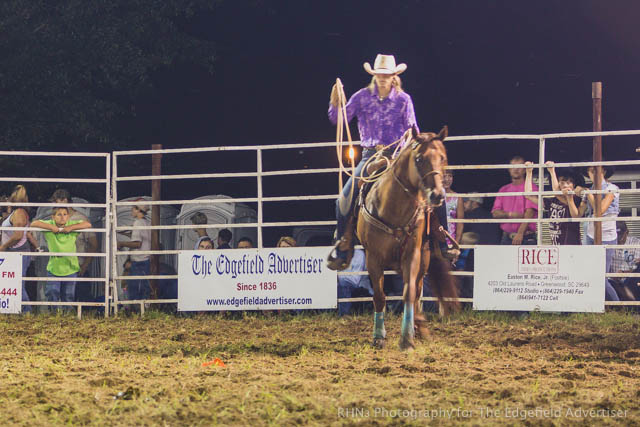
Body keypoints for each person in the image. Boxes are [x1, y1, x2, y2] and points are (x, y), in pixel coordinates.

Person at [326, 54, 418, 270]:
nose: (383, 78)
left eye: (387, 75)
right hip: (370, 155)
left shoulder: (404, 100)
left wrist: (410, 146)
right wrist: (335, 103)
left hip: (397, 156)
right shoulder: (361, 97)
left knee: (430, 192)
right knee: (343, 200)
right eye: (379, 74)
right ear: (374, 75)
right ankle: (342, 246)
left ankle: (440, 239)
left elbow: (413, 130)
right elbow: (339, 120)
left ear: (394, 76)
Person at [31, 206, 92, 307]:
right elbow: (34, 223)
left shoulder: (71, 225)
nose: (62, 217)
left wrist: (70, 228)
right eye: (59, 214)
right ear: (53, 217)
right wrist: (51, 228)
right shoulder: (50, 225)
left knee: (68, 295)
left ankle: (67, 315)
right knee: (52, 292)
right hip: (54, 267)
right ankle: (54, 314)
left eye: (65, 214)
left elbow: (88, 224)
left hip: (71, 267)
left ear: (68, 216)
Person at [50, 189, 99, 301]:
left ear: (65, 201)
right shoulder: (54, 218)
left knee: (77, 297)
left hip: (77, 266)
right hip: (59, 265)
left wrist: (85, 266)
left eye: (56, 203)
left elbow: (94, 244)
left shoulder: (81, 219)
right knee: (59, 296)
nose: (54, 206)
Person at [523, 162, 587, 245]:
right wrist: (529, 172)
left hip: (572, 245)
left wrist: (552, 171)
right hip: (556, 245)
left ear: (574, 185)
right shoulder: (552, 201)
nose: (565, 185)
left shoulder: (576, 199)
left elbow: (557, 193)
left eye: (569, 182)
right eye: (562, 182)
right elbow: (528, 195)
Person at [583, 165, 620, 301]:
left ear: (604, 171)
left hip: (607, 236)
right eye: (590, 171)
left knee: (601, 277)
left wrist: (589, 195)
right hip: (589, 234)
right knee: (589, 274)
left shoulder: (612, 188)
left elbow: (600, 211)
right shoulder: (590, 190)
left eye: (596, 170)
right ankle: (593, 306)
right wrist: (570, 196)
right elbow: (579, 213)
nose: (593, 174)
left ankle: (618, 306)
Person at [0, 185, 39, 312]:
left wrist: (4, 247)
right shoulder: (19, 213)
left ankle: (26, 310)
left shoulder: (18, 213)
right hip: (16, 252)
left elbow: (18, 235)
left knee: (17, 284)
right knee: (15, 283)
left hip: (17, 252)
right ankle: (20, 310)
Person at [491, 156, 538, 245]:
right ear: (509, 169)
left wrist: (520, 234)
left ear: (524, 170)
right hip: (506, 237)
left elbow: (530, 213)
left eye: (519, 167)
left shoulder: (531, 188)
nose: (516, 169)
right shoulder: (503, 189)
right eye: (513, 166)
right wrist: (511, 214)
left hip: (526, 237)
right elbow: (495, 213)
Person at [117, 202, 151, 301]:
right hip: (147, 259)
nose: (131, 210)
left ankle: (134, 310)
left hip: (138, 261)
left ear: (138, 210)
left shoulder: (137, 223)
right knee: (144, 288)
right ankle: (144, 309)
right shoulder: (147, 223)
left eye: (133, 208)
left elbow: (137, 244)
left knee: (134, 288)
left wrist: (122, 243)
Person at [609, 221, 640, 301]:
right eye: (617, 236)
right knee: (608, 283)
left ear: (627, 232)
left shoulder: (635, 243)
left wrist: (624, 273)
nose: (619, 239)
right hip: (614, 282)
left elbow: (636, 266)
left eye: (621, 236)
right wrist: (613, 275)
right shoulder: (609, 243)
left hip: (631, 280)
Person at [337, 249, 373, 316]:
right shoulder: (335, 253)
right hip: (341, 287)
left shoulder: (359, 254)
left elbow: (355, 280)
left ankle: (344, 315)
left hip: (359, 288)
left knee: (343, 285)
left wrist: (337, 278)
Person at [443, 170, 465, 244]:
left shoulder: (457, 198)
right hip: (435, 240)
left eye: (450, 176)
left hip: (450, 239)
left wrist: (456, 243)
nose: (447, 179)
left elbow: (460, 223)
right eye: (444, 176)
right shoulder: (433, 197)